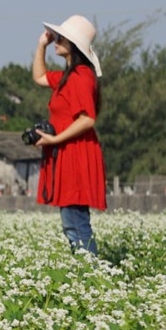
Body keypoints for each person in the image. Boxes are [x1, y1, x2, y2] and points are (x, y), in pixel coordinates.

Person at [31, 14, 106, 255]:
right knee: (72, 222)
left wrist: (54, 139)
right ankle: (87, 271)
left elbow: (87, 118)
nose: (56, 40)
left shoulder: (81, 76)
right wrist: (41, 45)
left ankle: (91, 273)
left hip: (76, 153)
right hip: (68, 151)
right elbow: (39, 77)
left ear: (73, 44)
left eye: (61, 38)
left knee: (75, 222)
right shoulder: (67, 77)